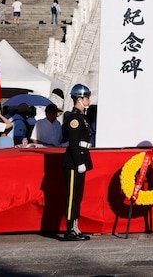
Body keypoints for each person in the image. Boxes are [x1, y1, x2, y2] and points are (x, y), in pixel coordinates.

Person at [60, 84, 94, 241]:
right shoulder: (74, 118)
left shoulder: (82, 117)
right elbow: (73, 144)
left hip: (81, 159)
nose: (89, 100)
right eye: (86, 97)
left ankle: (75, 227)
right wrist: (79, 161)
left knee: (78, 196)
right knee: (72, 196)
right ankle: (69, 230)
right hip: (74, 162)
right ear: (79, 99)